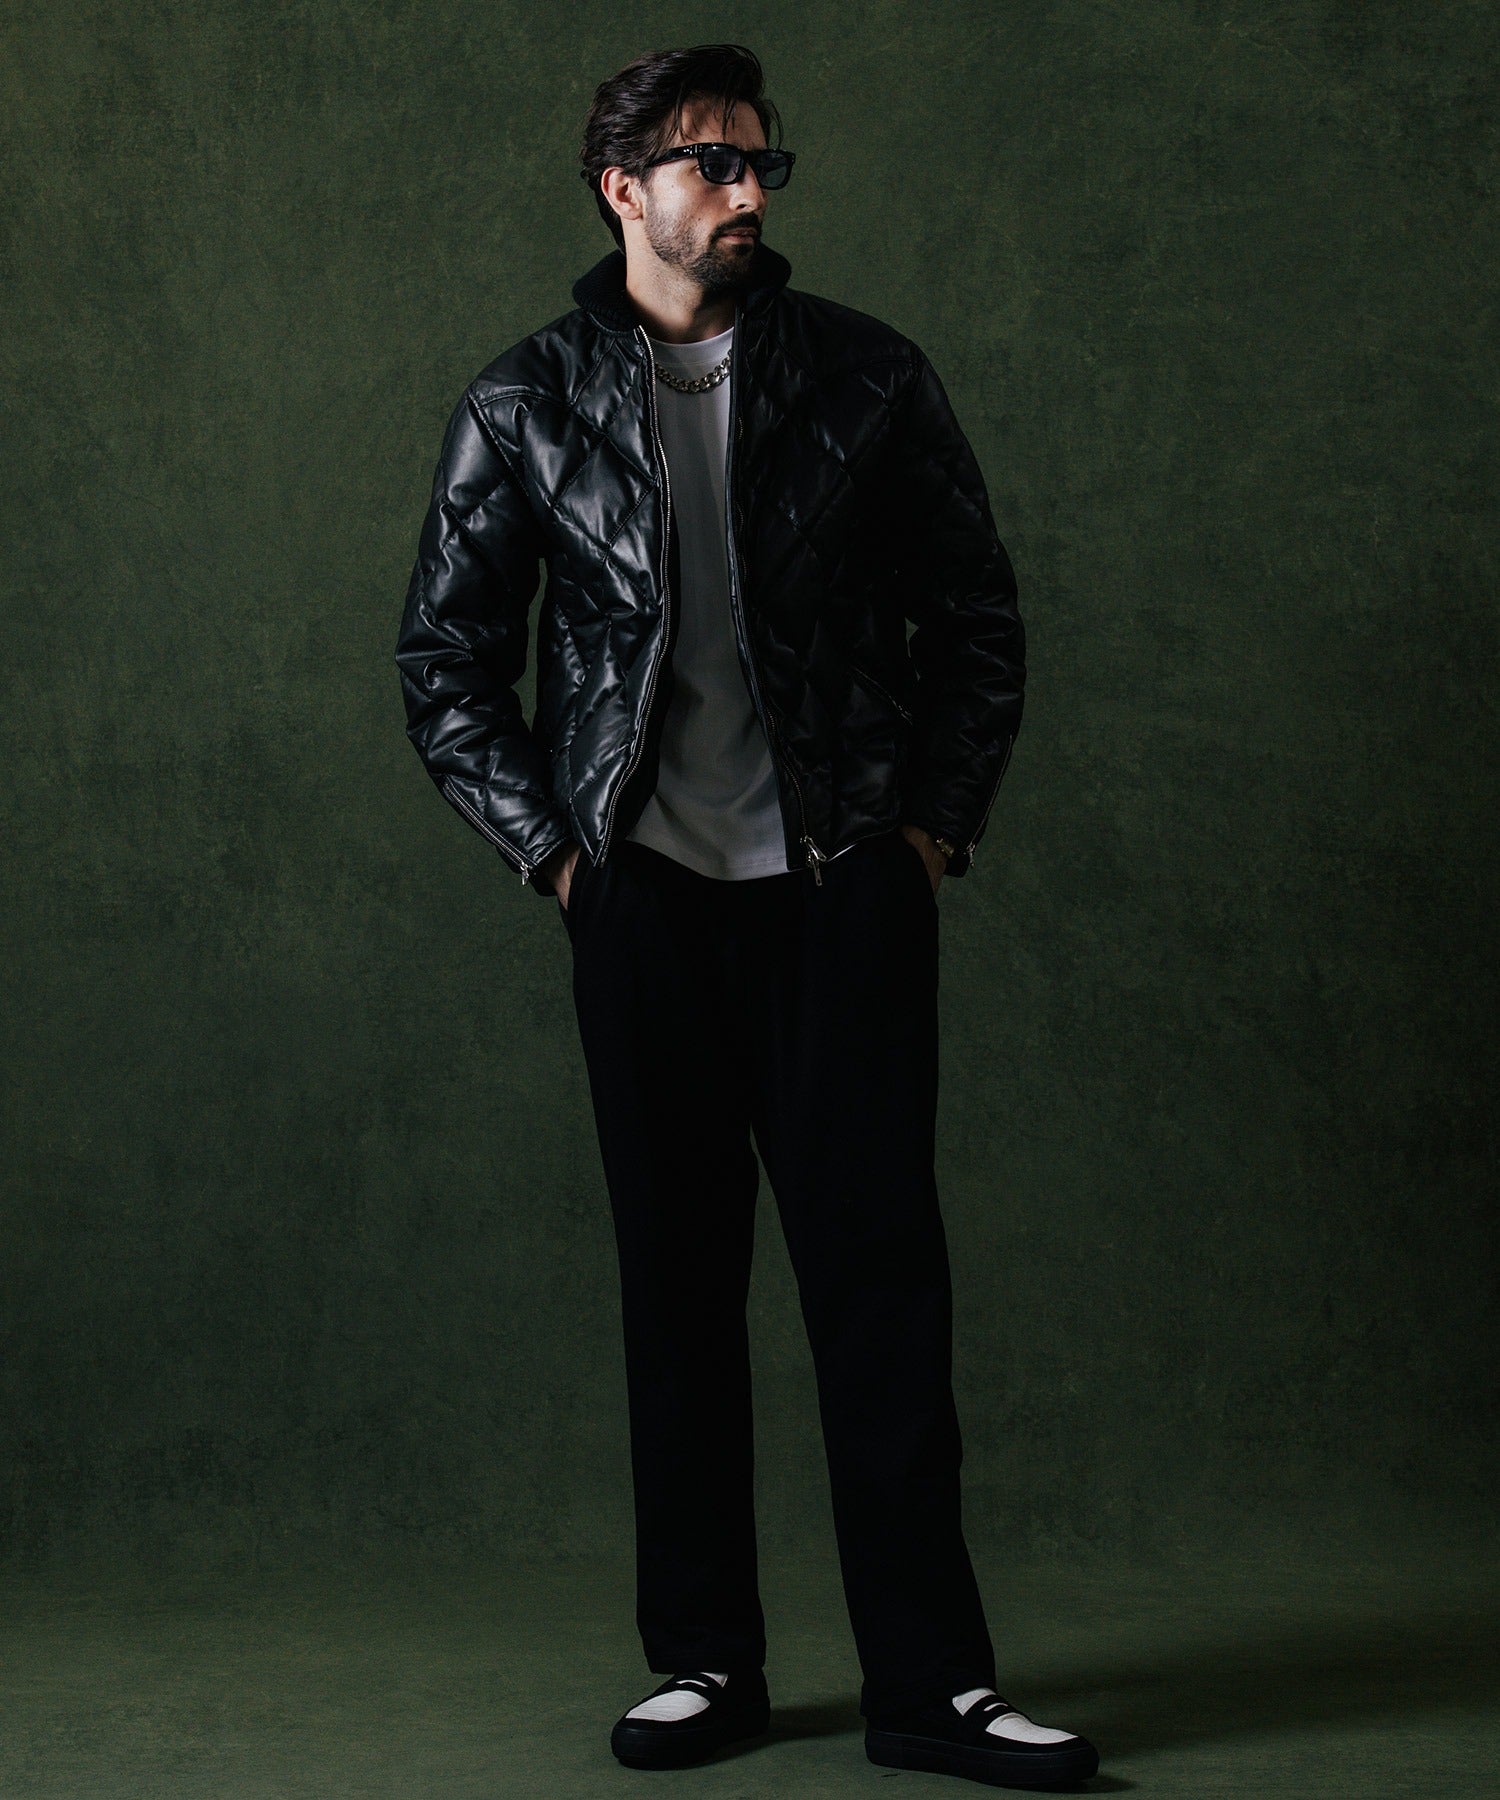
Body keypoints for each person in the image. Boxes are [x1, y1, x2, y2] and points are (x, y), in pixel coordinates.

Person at [394, 40, 1100, 1792]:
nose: (746, 191)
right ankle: (706, 1660)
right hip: (644, 908)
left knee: (882, 1296)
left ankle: (932, 1689)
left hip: (843, 894)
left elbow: (976, 616)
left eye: (761, 162)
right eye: (711, 164)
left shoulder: (867, 376)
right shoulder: (527, 400)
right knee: (679, 1298)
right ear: (621, 188)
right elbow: (445, 664)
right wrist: (563, 858)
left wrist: (931, 832)